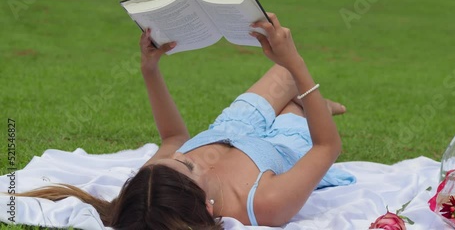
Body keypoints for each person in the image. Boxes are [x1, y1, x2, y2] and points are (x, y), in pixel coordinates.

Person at [18, 13, 355, 229]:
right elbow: (328, 146)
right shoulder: (264, 205)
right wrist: (294, 61)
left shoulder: (153, 186)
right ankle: (308, 108)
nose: (182, 158)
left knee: (281, 72)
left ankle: (308, 103)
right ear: (208, 209)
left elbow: (174, 138)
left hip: (232, 127)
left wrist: (149, 69)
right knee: (292, 74)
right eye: (190, 167)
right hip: (280, 146)